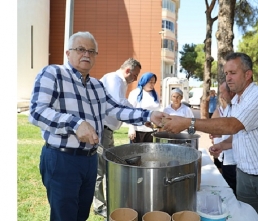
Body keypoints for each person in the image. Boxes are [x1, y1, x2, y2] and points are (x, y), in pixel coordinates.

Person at [28, 31, 167, 221]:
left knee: (81, 215)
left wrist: (149, 115)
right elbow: (36, 112)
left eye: (92, 51)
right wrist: (75, 124)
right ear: (68, 53)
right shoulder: (53, 73)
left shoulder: (96, 85)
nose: (87, 54)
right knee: (64, 216)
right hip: (62, 159)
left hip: (90, 160)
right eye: (81, 49)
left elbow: (117, 109)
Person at [162, 52, 258, 221]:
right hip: (245, 175)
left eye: (233, 73)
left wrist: (187, 123)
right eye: (226, 74)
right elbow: (242, 133)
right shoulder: (238, 100)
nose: (228, 78)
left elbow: (234, 125)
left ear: (248, 75)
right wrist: (224, 144)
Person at [93, 58, 142, 217]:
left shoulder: (117, 81)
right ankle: (99, 206)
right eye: (134, 76)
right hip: (101, 131)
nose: (135, 80)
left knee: (109, 166)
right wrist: (140, 116)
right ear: (127, 70)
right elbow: (118, 104)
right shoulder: (115, 80)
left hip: (107, 131)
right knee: (101, 169)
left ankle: (109, 201)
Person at [210, 81, 237, 195]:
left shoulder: (237, 109)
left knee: (233, 192)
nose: (220, 96)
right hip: (226, 156)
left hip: (234, 159)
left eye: (222, 92)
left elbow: (238, 133)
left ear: (231, 92)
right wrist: (219, 135)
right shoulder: (228, 108)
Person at [128, 72, 160, 142]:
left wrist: (158, 126)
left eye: (154, 82)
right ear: (144, 81)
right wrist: (131, 128)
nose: (152, 84)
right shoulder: (135, 93)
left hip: (152, 130)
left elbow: (157, 111)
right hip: (138, 130)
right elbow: (130, 111)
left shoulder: (156, 94)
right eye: (150, 82)